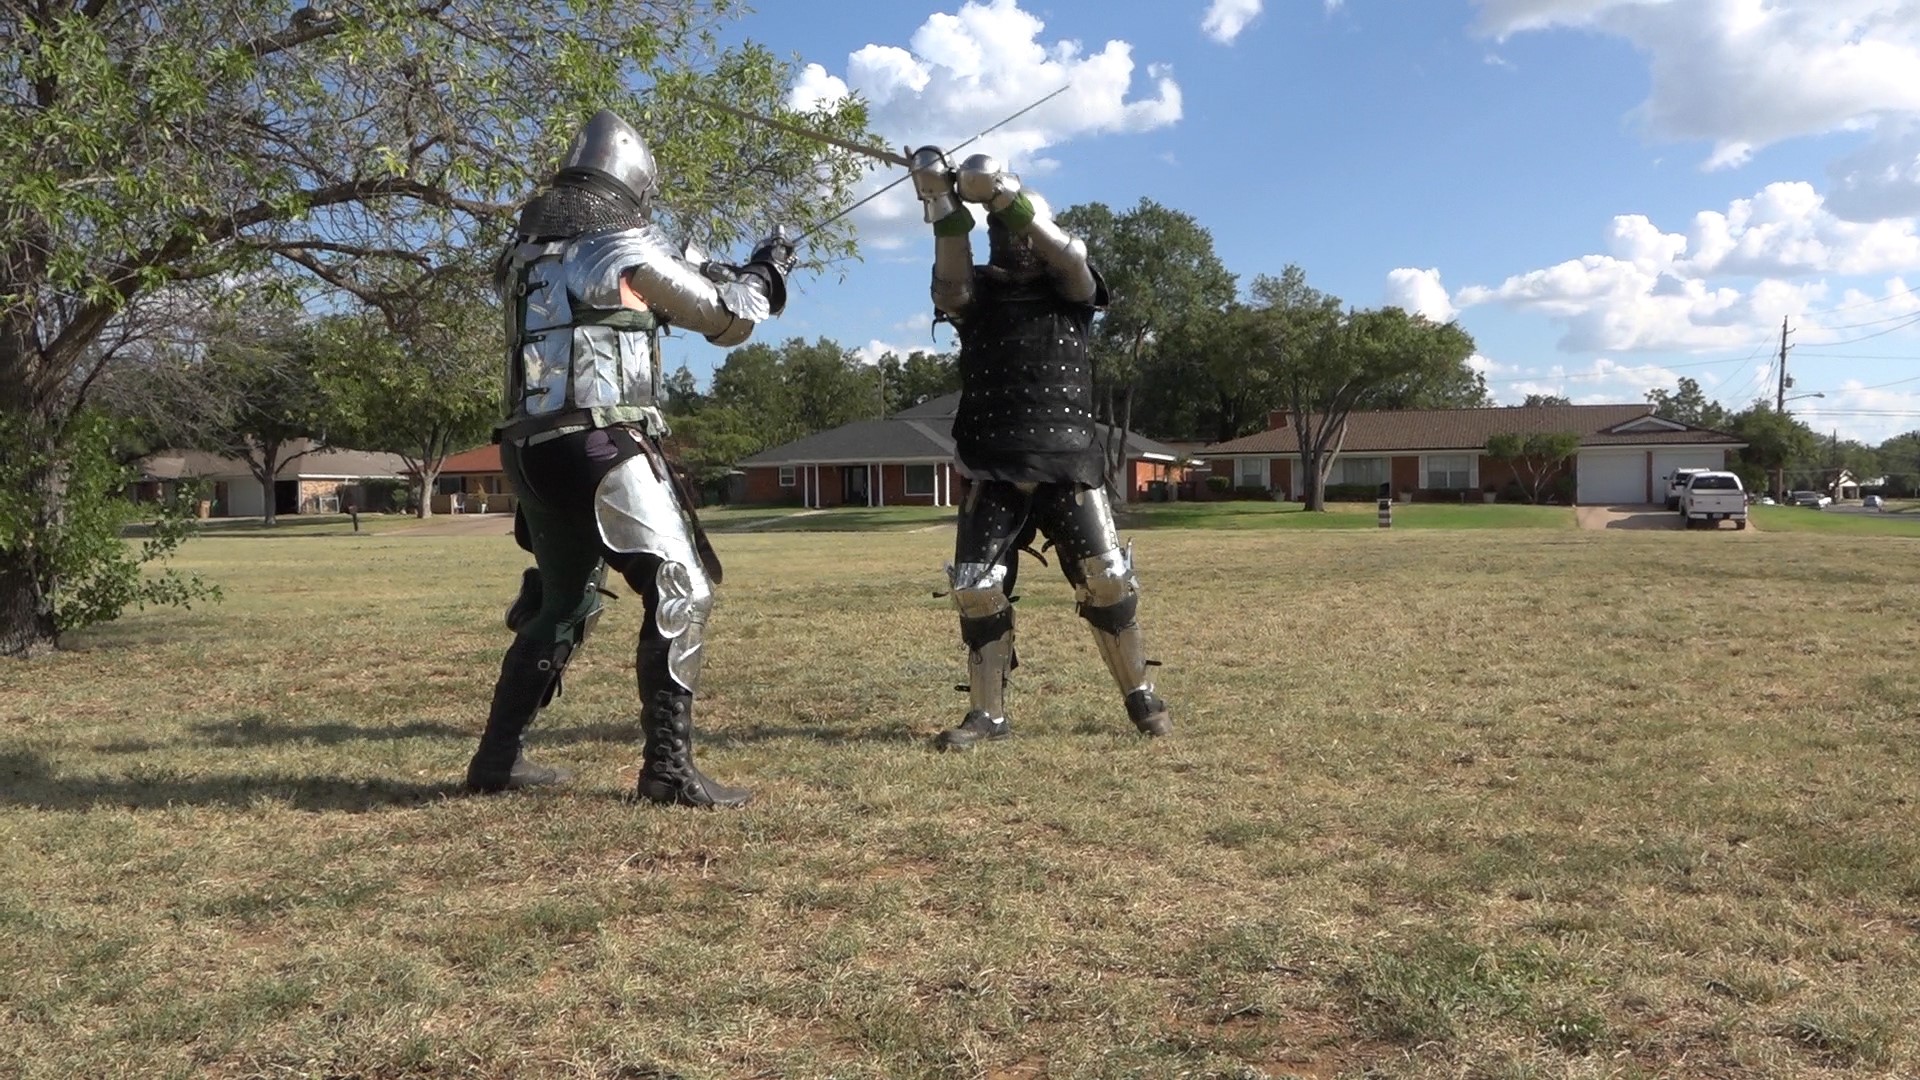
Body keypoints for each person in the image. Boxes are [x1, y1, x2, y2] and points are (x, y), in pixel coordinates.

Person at [464, 110, 795, 806]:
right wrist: (766, 272)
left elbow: (636, 301)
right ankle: (668, 769)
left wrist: (707, 267)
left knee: (563, 603)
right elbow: (724, 321)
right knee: (682, 588)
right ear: (631, 184)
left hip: (529, 446)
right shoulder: (620, 241)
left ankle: (497, 758)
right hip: (601, 440)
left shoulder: (522, 255)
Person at [912, 148, 1173, 750]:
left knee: (1107, 580)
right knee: (977, 587)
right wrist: (942, 203)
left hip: (1066, 460)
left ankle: (1141, 695)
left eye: (1018, 228)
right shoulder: (976, 296)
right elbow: (950, 281)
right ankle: (988, 716)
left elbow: (1073, 260)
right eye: (1006, 231)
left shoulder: (1073, 292)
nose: (1015, 243)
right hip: (993, 459)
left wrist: (1003, 196)